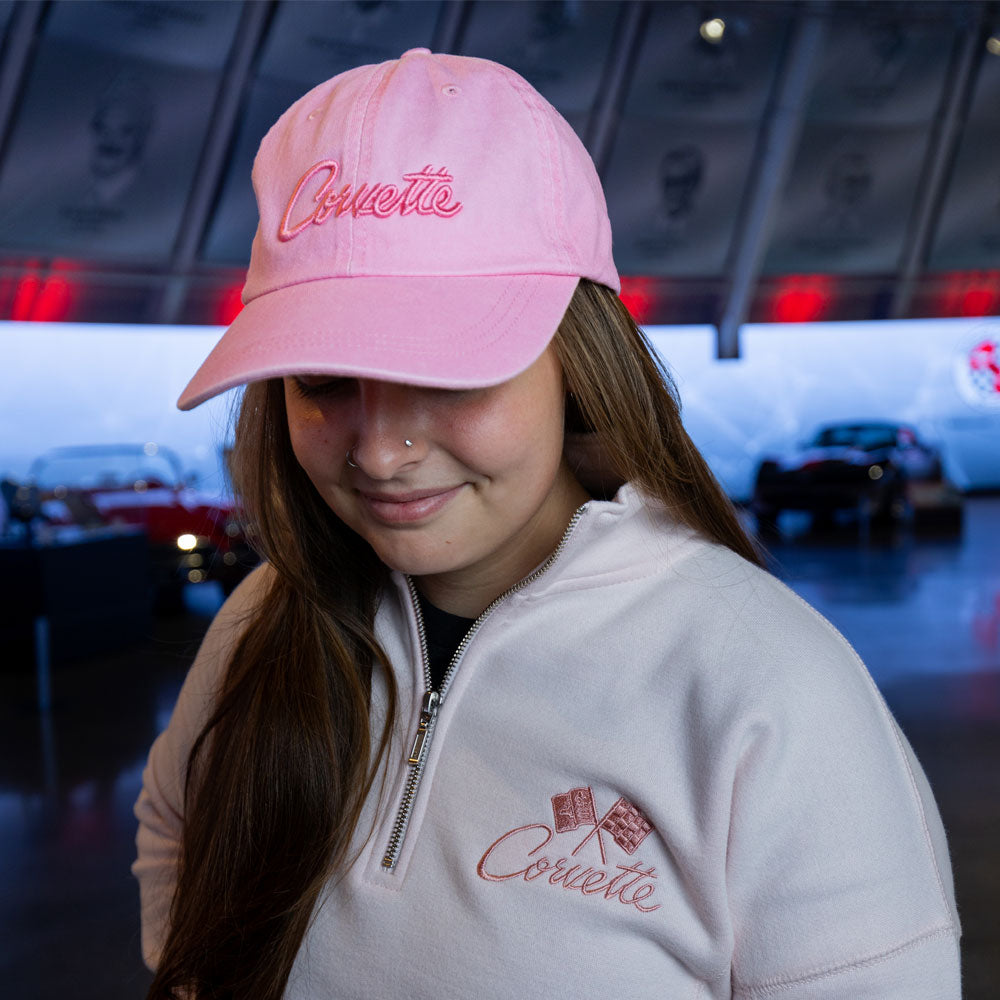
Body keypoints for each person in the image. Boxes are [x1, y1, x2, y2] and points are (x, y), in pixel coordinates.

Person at [133, 49, 960, 1000]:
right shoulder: (263, 617)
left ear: (577, 359)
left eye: (446, 371)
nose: (379, 451)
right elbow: (171, 829)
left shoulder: (765, 689)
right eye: (321, 379)